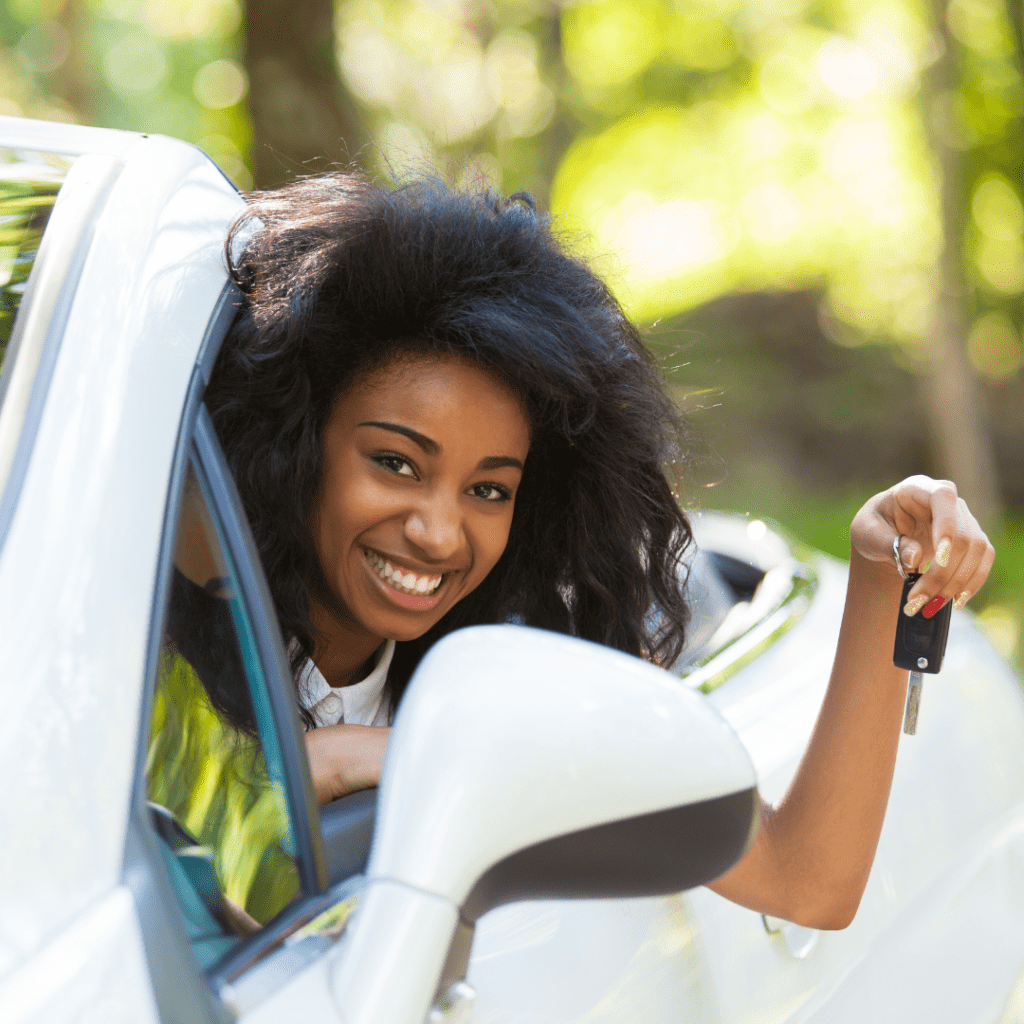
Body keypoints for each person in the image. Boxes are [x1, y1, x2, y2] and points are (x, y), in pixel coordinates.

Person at [203, 172, 995, 932]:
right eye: (396, 464)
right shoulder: (159, 661)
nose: (440, 535)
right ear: (297, 445)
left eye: (489, 490)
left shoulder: (529, 655)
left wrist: (876, 565)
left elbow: (804, 879)